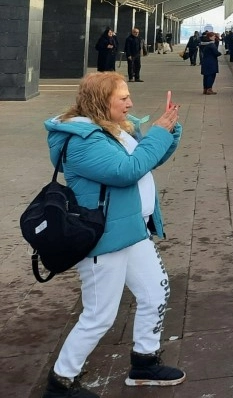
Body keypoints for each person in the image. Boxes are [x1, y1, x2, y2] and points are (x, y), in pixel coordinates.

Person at [41, 72, 184, 397]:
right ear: (101, 102)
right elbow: (127, 171)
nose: (131, 103)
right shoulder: (83, 141)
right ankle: (61, 382)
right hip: (101, 239)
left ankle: (144, 362)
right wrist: (158, 133)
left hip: (131, 229)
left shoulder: (113, 131)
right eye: (123, 99)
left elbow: (146, 160)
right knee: (100, 315)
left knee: (155, 292)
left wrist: (168, 132)